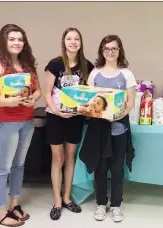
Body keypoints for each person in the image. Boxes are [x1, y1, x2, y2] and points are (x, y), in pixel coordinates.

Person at [0, 24, 41, 227]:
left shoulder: (27, 65)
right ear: (4, 42)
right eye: (12, 39)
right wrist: (9, 102)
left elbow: (37, 91)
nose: (17, 42)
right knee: (2, 168)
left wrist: (32, 99)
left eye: (20, 39)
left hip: (26, 120)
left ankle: (13, 205)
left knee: (19, 165)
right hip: (3, 123)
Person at [79, 34, 136, 223]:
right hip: (98, 130)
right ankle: (101, 204)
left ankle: (117, 205)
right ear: (101, 51)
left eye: (114, 48)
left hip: (119, 129)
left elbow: (130, 103)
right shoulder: (95, 74)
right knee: (100, 167)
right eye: (106, 48)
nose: (110, 52)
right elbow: (89, 101)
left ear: (120, 51)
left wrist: (118, 115)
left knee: (117, 169)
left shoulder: (126, 74)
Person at [44, 27, 94, 220]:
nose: (73, 42)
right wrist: (56, 111)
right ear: (64, 42)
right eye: (69, 39)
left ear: (81, 42)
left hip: (76, 118)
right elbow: (47, 93)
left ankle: (67, 197)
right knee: (58, 159)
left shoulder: (86, 65)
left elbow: (89, 93)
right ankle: (57, 201)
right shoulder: (55, 64)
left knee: (71, 157)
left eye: (76, 39)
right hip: (56, 117)